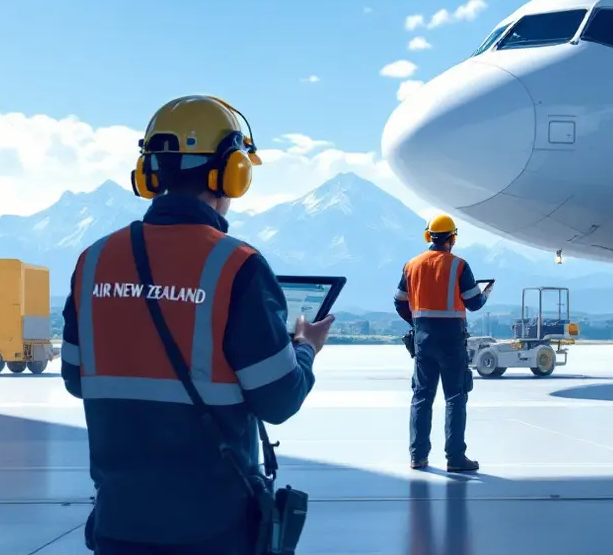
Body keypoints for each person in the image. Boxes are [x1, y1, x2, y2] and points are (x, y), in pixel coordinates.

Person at [60, 94, 333, 554]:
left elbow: (75, 378)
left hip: (119, 522)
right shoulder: (237, 265)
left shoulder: (93, 261)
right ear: (231, 172)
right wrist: (304, 348)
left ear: (149, 172)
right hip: (212, 527)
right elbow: (279, 398)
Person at [395, 214, 491, 472]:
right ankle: (455, 458)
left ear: (429, 236)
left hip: (423, 340)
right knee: (456, 397)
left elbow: (399, 301)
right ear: (453, 238)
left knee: (421, 397)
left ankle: (418, 456)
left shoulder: (411, 265)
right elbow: (473, 303)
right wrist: (485, 296)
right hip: (451, 341)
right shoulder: (459, 266)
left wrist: (416, 323)